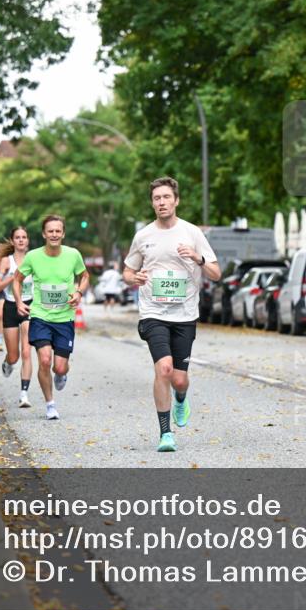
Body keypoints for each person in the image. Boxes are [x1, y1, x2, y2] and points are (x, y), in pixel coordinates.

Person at [123, 176, 221, 452]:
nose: (161, 202)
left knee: (179, 378)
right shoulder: (143, 236)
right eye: (157, 198)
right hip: (153, 312)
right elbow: (128, 271)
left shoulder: (192, 233)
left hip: (185, 314)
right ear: (152, 203)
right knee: (163, 369)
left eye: (166, 197)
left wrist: (197, 257)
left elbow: (216, 273)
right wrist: (134, 278)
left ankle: (181, 397)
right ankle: (165, 434)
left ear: (176, 200)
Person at [14, 215, 88, 421]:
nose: (54, 234)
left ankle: (62, 373)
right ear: (44, 234)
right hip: (40, 316)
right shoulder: (33, 257)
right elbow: (17, 279)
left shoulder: (73, 255)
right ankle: (50, 404)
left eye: (58, 231)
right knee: (44, 360)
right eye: (50, 231)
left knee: (59, 366)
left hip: (64, 319)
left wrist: (79, 292)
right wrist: (19, 302)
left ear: (63, 233)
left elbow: (85, 276)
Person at [0, 226, 35, 409]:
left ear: (28, 241)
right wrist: (13, 278)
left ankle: (24, 394)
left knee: (27, 352)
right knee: (14, 356)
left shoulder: (34, 259)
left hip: (29, 305)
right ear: (12, 240)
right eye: (17, 237)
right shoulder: (6, 261)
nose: (20, 240)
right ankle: (8, 362)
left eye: (24, 237)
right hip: (10, 306)